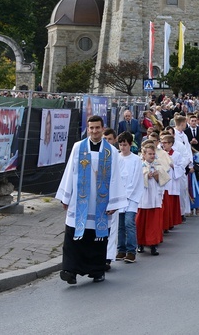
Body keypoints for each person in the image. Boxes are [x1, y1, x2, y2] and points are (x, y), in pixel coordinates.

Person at [57, 115, 125, 284]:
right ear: (87, 129)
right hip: (79, 202)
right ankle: (70, 271)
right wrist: (65, 197)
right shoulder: (78, 147)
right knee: (73, 237)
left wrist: (114, 203)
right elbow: (69, 172)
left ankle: (97, 271)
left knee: (97, 239)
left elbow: (116, 177)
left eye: (97, 128)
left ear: (103, 129)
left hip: (100, 204)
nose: (94, 131)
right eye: (91, 128)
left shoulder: (111, 152)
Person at [115, 131, 144, 263]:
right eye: (120, 144)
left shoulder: (136, 160)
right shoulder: (116, 158)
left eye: (125, 145)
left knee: (129, 223)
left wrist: (127, 195)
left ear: (130, 144)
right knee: (120, 225)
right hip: (119, 197)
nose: (122, 147)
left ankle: (131, 250)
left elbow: (136, 179)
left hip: (131, 197)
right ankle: (121, 249)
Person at [135, 141, 169, 256]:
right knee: (141, 222)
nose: (152, 156)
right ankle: (140, 243)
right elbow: (135, 180)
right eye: (149, 154)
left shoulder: (158, 165)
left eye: (153, 154)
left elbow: (165, 179)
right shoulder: (139, 165)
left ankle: (153, 244)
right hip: (143, 198)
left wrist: (157, 176)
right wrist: (145, 176)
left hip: (154, 197)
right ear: (144, 155)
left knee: (154, 223)